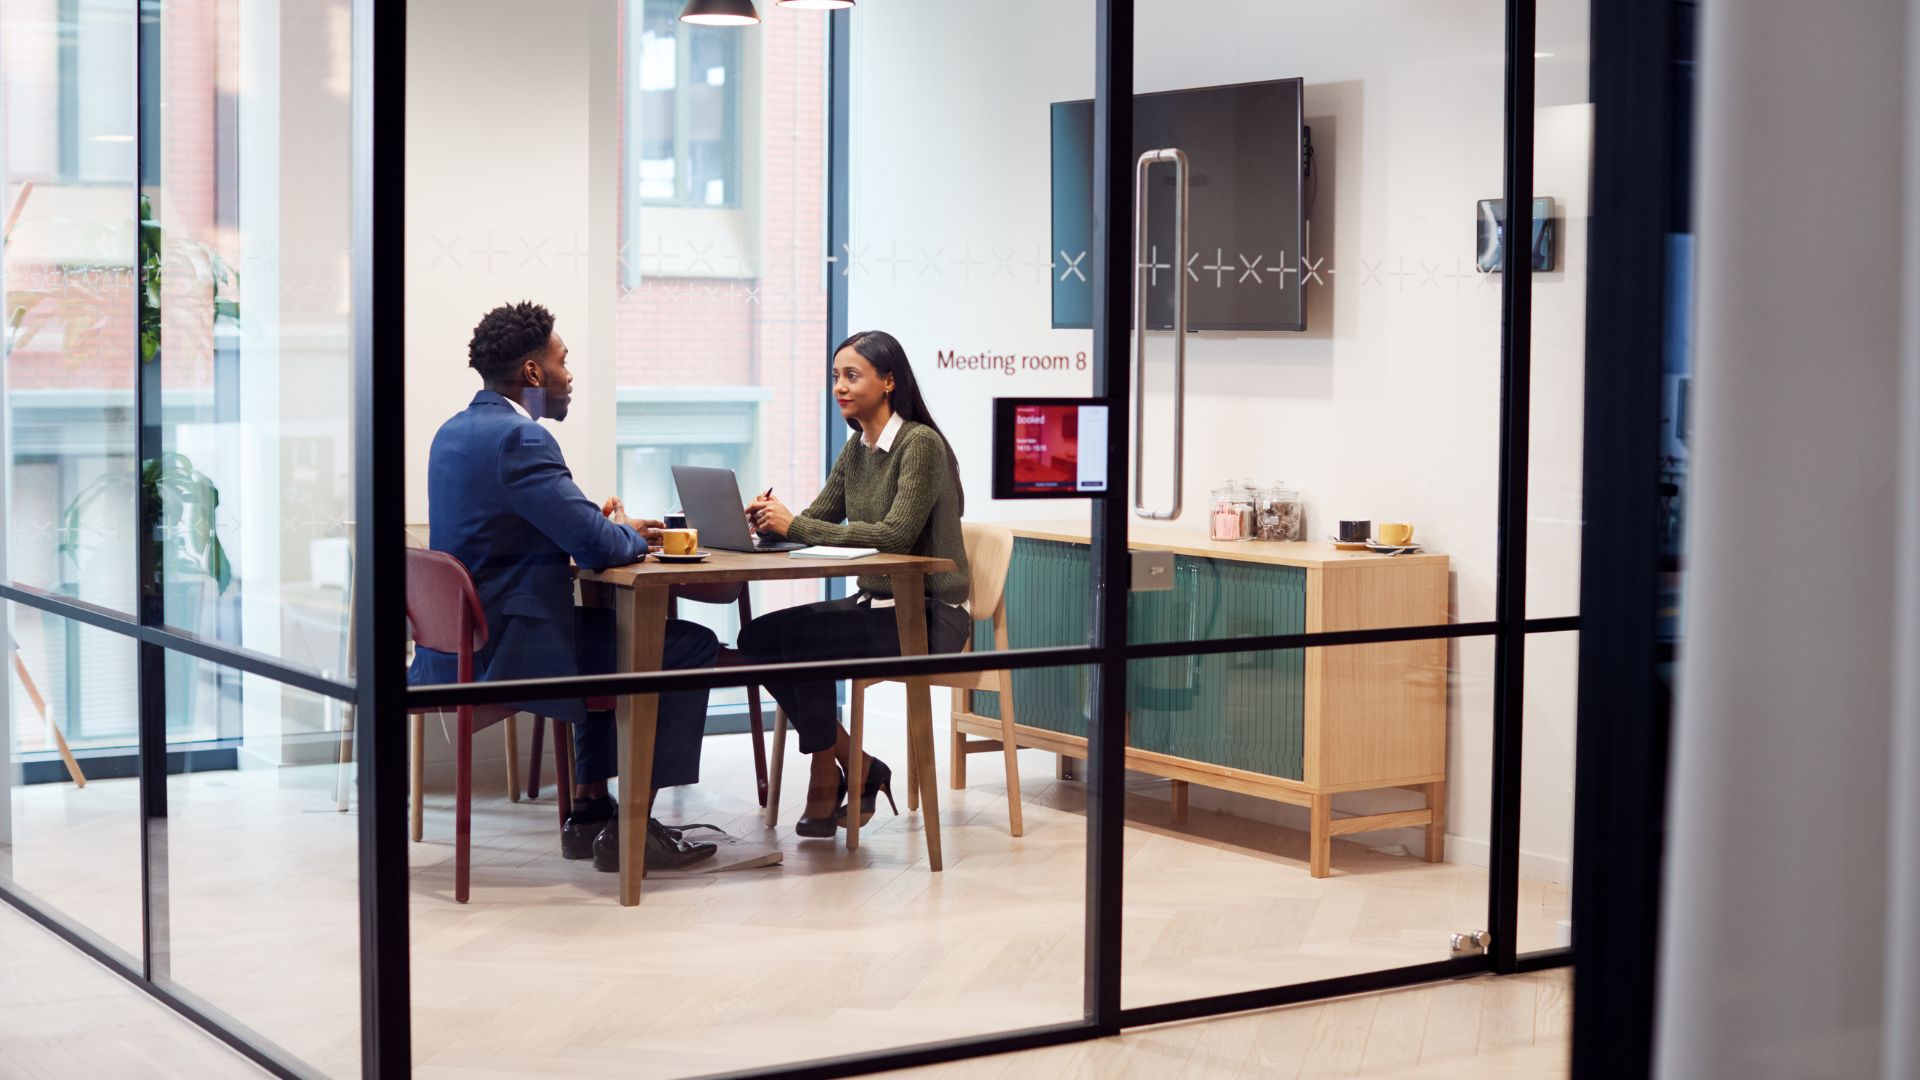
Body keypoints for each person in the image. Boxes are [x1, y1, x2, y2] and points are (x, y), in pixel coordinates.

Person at [408, 301, 719, 871]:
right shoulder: (519, 440)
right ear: (532, 373)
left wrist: (599, 525)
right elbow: (597, 546)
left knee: (611, 636)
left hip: (462, 642)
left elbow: (534, 521)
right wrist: (624, 533)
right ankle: (632, 830)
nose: (570, 375)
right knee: (684, 646)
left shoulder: (453, 432)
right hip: (511, 648)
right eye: (563, 361)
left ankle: (590, 812)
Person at [739, 330, 972, 836]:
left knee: (803, 642)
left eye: (852, 375)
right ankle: (854, 761)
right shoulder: (856, 448)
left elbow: (895, 535)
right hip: (875, 605)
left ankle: (827, 770)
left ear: (889, 382)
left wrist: (794, 525)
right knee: (755, 638)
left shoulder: (920, 444)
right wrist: (766, 522)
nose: (839, 387)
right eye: (835, 377)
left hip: (931, 618)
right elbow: (817, 519)